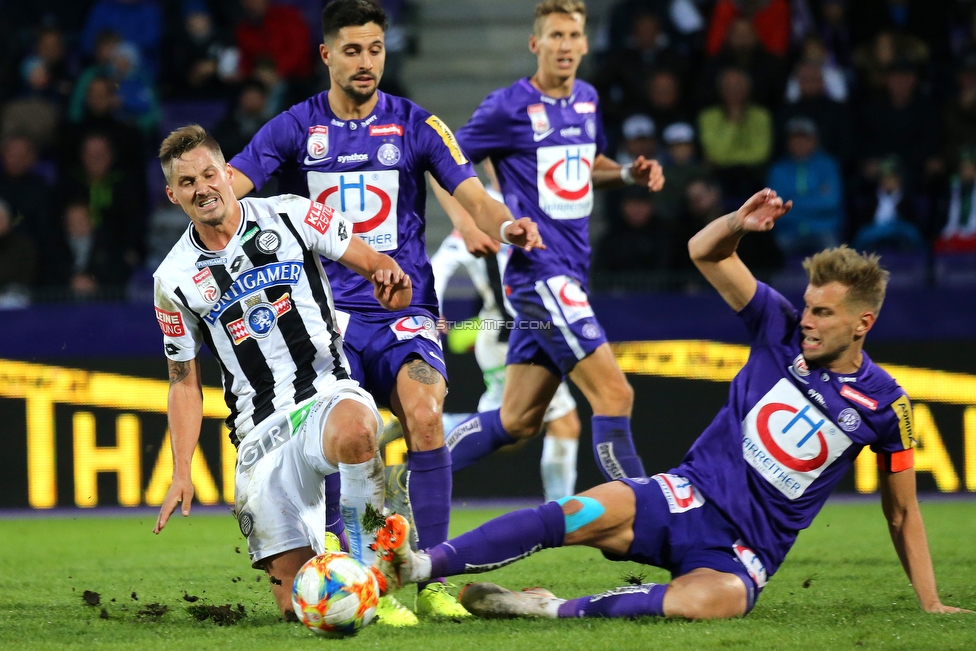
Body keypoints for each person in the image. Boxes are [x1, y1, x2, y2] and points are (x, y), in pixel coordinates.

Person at [371, 188, 973, 621]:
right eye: (809, 306)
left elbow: (902, 514)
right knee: (579, 511)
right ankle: (422, 566)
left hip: (742, 551)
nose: (808, 321)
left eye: (824, 313)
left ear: (863, 323)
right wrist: (737, 221)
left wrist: (928, 601)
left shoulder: (887, 406)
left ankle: (546, 608)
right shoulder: (777, 326)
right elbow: (705, 252)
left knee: (716, 603)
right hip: (684, 495)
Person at [226, 0, 542, 621]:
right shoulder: (295, 127)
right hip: (325, 320)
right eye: (352, 50)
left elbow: (471, 192)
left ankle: (432, 581)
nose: (365, 61)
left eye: (374, 49)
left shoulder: (417, 124)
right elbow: (236, 182)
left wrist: (506, 228)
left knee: (426, 417)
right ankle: (363, 579)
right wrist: (206, 200)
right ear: (326, 55)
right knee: (354, 441)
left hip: (404, 311)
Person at [150, 124, 411, 621]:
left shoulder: (291, 213)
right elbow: (182, 380)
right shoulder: (173, 278)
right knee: (299, 607)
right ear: (173, 195)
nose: (202, 188)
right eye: (188, 183)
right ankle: (340, 548)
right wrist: (181, 470)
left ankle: (372, 570)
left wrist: (387, 275)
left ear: (228, 173)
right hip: (258, 433)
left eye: (209, 174)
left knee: (358, 433)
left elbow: (368, 258)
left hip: (326, 394)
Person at [432, 0, 663, 488]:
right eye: (555, 36)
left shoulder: (588, 100)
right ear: (535, 44)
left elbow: (583, 168)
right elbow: (441, 157)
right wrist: (466, 221)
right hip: (541, 274)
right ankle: (654, 523)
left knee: (517, 420)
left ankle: (412, 474)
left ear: (584, 43)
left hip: (569, 274)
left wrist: (624, 172)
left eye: (574, 36)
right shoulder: (507, 107)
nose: (565, 46)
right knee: (615, 396)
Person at [428, 173, 581, 504]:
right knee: (560, 422)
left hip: (510, 333)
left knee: (512, 431)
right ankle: (561, 513)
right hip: (511, 335)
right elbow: (442, 261)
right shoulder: (488, 208)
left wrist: (433, 305)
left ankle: (436, 428)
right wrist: (431, 310)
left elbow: (440, 263)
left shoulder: (497, 203)